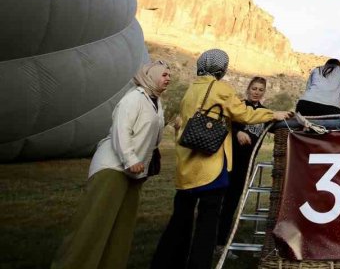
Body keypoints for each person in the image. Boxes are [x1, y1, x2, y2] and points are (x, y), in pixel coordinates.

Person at [151, 50, 292, 269]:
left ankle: (166, 262)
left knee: (180, 221)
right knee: (208, 223)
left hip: (186, 166)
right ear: (222, 68)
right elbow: (243, 114)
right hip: (210, 168)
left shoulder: (192, 89)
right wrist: (273, 115)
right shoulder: (220, 89)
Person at [52, 60, 171, 269]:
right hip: (114, 168)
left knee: (121, 227)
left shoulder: (156, 102)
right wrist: (130, 159)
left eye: (169, 75)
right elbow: (120, 130)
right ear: (149, 76)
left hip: (135, 174)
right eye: (164, 74)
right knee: (94, 224)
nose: (168, 78)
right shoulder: (134, 98)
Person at [217, 77, 269, 250]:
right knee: (218, 200)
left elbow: (281, 125)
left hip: (245, 165)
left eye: (260, 89)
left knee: (232, 203)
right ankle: (210, 240)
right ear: (248, 89)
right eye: (254, 88)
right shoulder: (239, 106)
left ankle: (221, 242)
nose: (256, 92)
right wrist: (238, 131)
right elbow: (226, 122)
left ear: (264, 92)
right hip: (228, 161)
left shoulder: (264, 114)